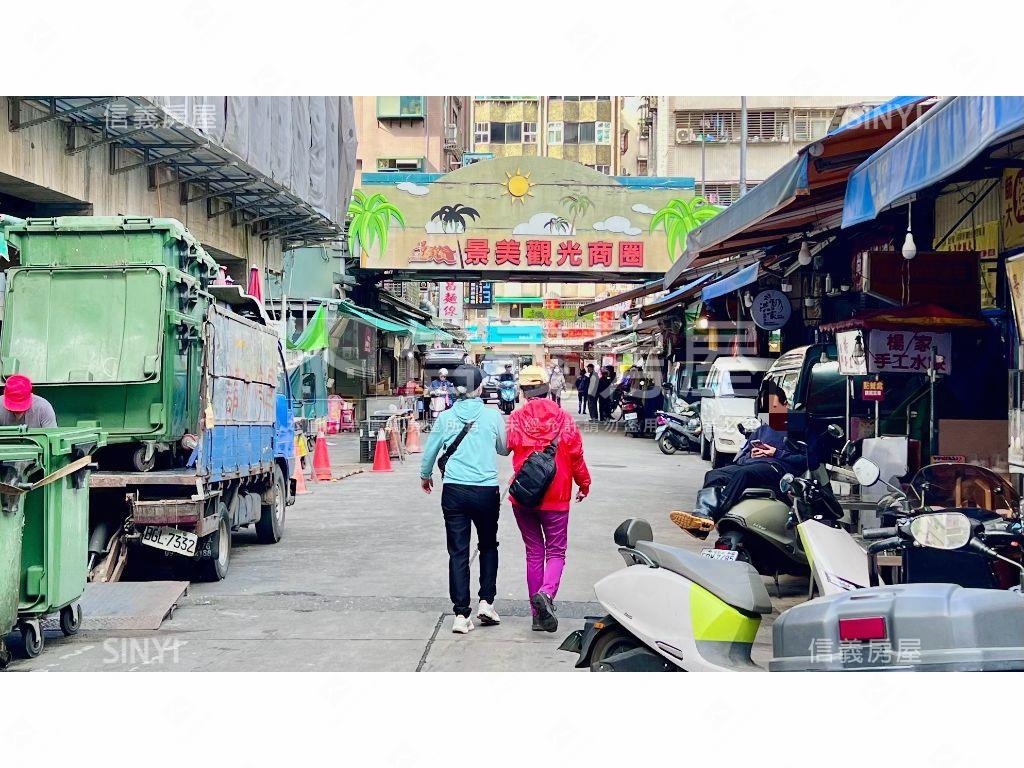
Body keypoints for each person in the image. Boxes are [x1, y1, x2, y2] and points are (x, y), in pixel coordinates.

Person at [420, 365, 510, 634]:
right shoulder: (492, 416)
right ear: (479, 388)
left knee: (458, 551)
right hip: (485, 491)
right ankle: (486, 601)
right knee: (488, 545)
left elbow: (430, 453)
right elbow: (504, 449)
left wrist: (425, 476)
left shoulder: (445, 418)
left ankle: (461, 615)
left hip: (454, 491)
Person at [507, 372, 591, 632]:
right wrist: (584, 484)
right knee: (555, 552)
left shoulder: (516, 418)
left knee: (534, 552)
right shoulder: (565, 419)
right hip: (556, 496)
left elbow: (508, 444)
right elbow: (576, 455)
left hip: (524, 496)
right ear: (548, 390)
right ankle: (546, 593)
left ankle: (536, 616)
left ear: (523, 393)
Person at [671, 381, 805, 536]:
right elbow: (742, 455)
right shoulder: (762, 429)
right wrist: (751, 455)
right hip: (753, 465)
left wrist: (775, 453)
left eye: (774, 406)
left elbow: (804, 459)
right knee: (713, 474)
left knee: (744, 474)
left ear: (785, 404)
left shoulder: (797, 427)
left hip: (777, 468)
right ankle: (701, 517)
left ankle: (712, 517)